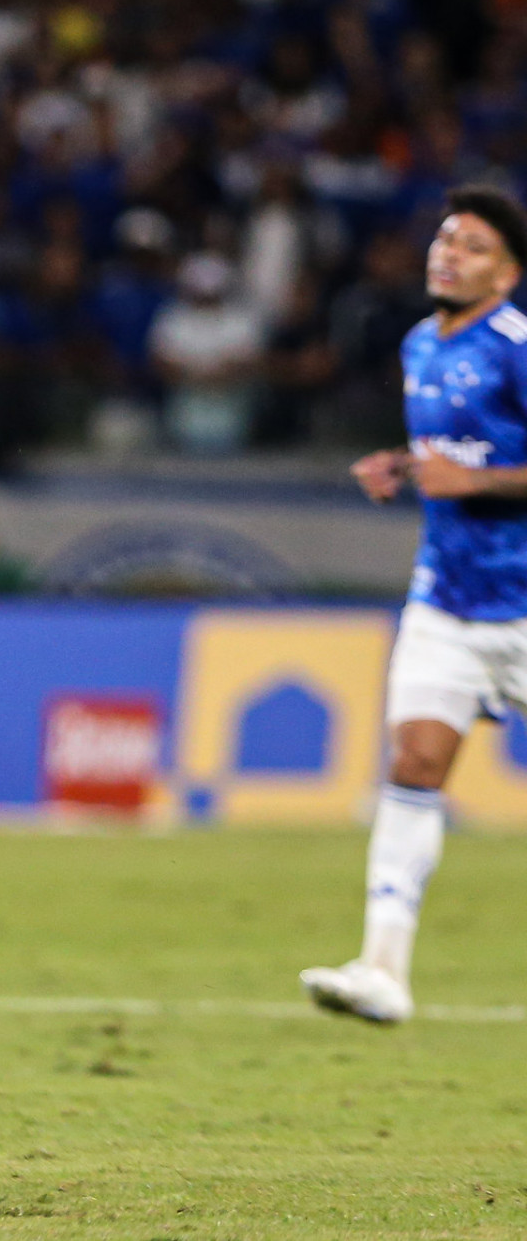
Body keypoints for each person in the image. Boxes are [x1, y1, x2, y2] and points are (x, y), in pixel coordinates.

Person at [302, 185, 527, 1024]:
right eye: (445, 239)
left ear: (506, 275)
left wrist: (478, 481)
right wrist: (402, 465)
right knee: (414, 768)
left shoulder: (516, 347)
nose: (449, 253)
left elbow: (482, 465)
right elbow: (456, 448)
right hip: (445, 603)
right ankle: (382, 969)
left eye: (472, 246)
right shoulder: (417, 346)